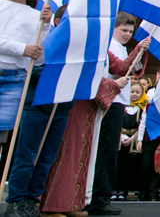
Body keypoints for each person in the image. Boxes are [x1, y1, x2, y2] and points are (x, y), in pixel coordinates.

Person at [39, 36, 150, 216]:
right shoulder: (78, 48)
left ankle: (70, 203)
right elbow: (81, 75)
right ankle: (52, 205)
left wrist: (139, 49)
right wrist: (113, 84)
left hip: (90, 112)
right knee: (67, 155)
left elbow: (122, 67)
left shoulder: (103, 51)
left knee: (82, 157)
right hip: (72, 107)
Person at [3, 0, 62, 217]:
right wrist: (58, 75)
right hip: (35, 105)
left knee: (46, 158)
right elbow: (32, 69)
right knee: (26, 155)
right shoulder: (48, 38)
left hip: (60, 108)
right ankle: (16, 201)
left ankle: (32, 200)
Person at [85, 13, 147, 215]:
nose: (128, 34)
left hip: (118, 102)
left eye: (131, 31)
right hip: (108, 102)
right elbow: (118, 70)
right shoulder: (110, 46)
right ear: (114, 29)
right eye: (124, 30)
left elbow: (128, 68)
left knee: (109, 152)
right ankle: (97, 199)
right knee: (104, 152)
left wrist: (138, 53)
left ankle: (101, 196)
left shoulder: (120, 47)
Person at [0, 0, 51, 151]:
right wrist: (22, 49)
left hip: (15, 80)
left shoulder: (34, 16)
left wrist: (45, 26)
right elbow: (25, 50)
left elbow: (39, 58)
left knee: (3, 136)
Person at [112, 81, 146, 201]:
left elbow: (141, 126)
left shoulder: (141, 109)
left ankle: (123, 191)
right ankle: (114, 190)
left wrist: (132, 139)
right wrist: (121, 137)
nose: (134, 94)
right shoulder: (122, 107)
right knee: (118, 166)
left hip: (132, 140)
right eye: (132, 92)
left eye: (137, 92)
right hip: (120, 140)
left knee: (127, 167)